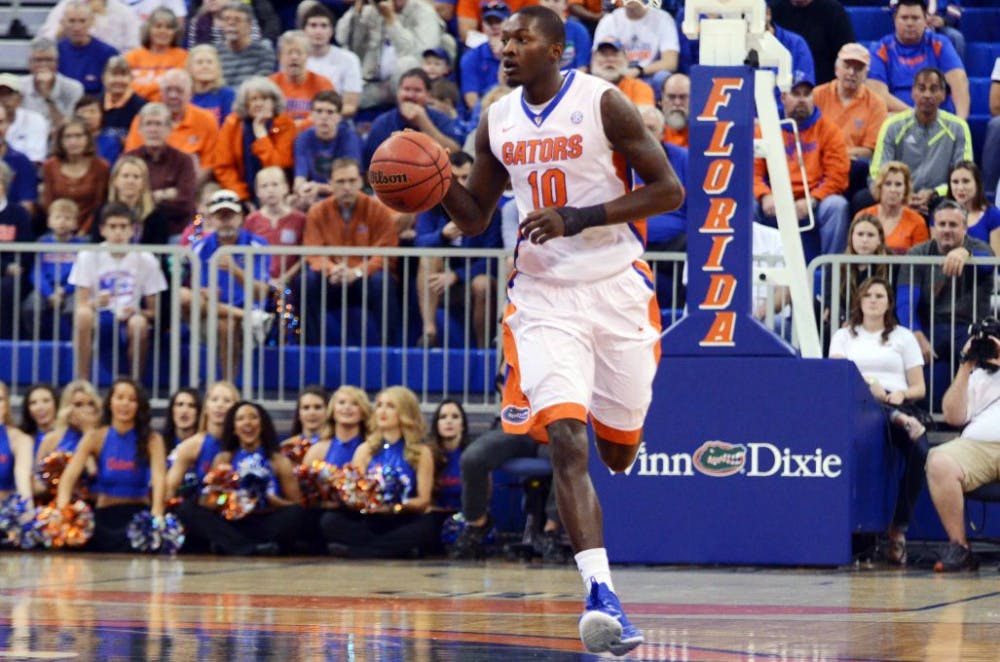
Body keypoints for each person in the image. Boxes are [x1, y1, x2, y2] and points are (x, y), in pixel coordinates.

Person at [440, 6, 683, 655]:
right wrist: (437, 183)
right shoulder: (498, 117)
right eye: (503, 39)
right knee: (567, 440)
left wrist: (580, 217)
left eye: (522, 39)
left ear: (557, 48)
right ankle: (602, 596)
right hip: (544, 296)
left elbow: (669, 192)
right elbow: (472, 217)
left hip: (616, 287)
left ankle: (620, 438)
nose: (507, 47)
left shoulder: (604, 104)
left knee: (617, 452)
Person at [829, 276, 929, 565]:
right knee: (871, 399)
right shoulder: (844, 335)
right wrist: (869, 384)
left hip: (897, 401)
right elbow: (837, 375)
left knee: (921, 450)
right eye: (868, 295)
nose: (873, 300)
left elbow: (919, 388)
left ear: (889, 303)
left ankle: (899, 528)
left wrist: (900, 393)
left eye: (880, 296)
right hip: (856, 409)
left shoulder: (903, 336)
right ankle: (895, 417)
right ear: (859, 301)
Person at [318, 386, 437, 558]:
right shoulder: (365, 449)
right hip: (370, 519)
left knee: (427, 525)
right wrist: (364, 504)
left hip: (402, 516)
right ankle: (394, 551)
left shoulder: (421, 452)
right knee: (329, 521)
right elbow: (354, 495)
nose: (382, 411)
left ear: (405, 412)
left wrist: (393, 507)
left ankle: (360, 552)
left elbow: (423, 500)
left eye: (390, 406)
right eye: (379, 405)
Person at [179, 400, 306, 556]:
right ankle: (249, 548)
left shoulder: (278, 460)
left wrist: (275, 502)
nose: (248, 423)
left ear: (262, 424)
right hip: (232, 523)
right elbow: (210, 504)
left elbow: (297, 504)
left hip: (265, 520)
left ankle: (232, 546)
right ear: (234, 428)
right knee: (187, 509)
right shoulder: (224, 458)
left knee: (297, 514)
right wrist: (222, 497)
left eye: (253, 417)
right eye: (240, 419)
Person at [55, 378, 167, 553]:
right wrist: (63, 510)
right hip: (103, 518)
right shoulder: (95, 437)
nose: (125, 404)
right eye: (120, 397)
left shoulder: (152, 440)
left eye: (132, 399)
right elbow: (68, 477)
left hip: (137, 517)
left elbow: (160, 478)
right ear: (110, 403)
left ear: (139, 406)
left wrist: (157, 514)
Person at [898, 200, 993, 400]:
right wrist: (914, 332)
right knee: (931, 384)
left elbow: (988, 265)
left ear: (965, 228)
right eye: (942, 224)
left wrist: (967, 253)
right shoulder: (918, 253)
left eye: (953, 225)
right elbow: (906, 300)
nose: (947, 230)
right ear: (933, 227)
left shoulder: (979, 249)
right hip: (931, 330)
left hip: (970, 329)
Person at [302, 157, 401, 346]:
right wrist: (332, 269)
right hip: (332, 279)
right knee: (306, 281)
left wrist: (358, 271)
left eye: (351, 181)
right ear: (330, 184)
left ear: (361, 182)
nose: (346, 187)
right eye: (340, 182)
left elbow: (386, 252)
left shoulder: (378, 209)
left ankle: (387, 352)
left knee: (383, 282)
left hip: (365, 278)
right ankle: (310, 351)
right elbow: (313, 253)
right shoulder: (317, 211)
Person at [926, 326, 1000, 572]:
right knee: (939, 460)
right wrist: (965, 366)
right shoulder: (977, 376)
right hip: (978, 447)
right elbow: (953, 416)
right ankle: (960, 548)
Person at [753, 73, 850, 261]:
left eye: (807, 94)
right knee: (748, 205)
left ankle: (830, 273)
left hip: (813, 202)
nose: (802, 100)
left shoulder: (829, 130)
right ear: (783, 97)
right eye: (795, 93)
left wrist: (813, 199)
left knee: (837, 206)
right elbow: (752, 172)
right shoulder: (765, 128)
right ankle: (753, 268)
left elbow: (837, 175)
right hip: (774, 201)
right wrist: (764, 195)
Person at [69, 203, 168, 381]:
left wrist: (138, 311)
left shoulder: (146, 258)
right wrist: (95, 303)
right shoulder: (87, 255)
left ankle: (134, 383)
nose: (118, 232)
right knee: (83, 314)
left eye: (123, 227)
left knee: (139, 323)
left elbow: (154, 312)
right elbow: (81, 303)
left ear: (133, 230)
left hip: (130, 315)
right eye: (112, 227)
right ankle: (81, 381)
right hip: (98, 313)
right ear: (102, 230)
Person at [414, 151, 502, 348]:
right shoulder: (431, 206)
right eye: (454, 178)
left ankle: (482, 348)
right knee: (428, 260)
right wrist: (442, 236)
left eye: (466, 177)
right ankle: (429, 332)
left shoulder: (491, 212)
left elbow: (492, 258)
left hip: (472, 280)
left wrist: (457, 275)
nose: (461, 184)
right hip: (440, 284)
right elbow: (419, 244)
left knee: (483, 284)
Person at [184, 189, 274, 380]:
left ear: (241, 217)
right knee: (182, 296)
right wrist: (203, 292)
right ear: (211, 218)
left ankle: (227, 386)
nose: (225, 220)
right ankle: (251, 317)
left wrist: (236, 270)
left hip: (242, 313)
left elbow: (262, 293)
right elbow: (197, 293)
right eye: (220, 215)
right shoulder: (199, 246)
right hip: (208, 313)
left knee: (227, 324)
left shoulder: (257, 244)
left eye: (230, 215)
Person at [869, 67, 972, 218]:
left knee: (953, 200)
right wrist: (903, 195)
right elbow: (877, 171)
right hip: (898, 194)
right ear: (913, 92)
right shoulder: (892, 126)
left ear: (943, 95)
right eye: (921, 89)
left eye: (934, 89)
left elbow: (965, 175)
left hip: (939, 197)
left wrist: (935, 192)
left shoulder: (958, 128)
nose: (927, 95)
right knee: (863, 198)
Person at [335, 0, 444, 110]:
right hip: (374, 85)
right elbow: (341, 38)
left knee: (406, 63)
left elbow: (420, 53)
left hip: (406, 84)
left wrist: (391, 20)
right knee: (339, 97)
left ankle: (407, 112)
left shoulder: (424, 12)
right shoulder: (371, 10)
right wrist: (356, 11)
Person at [868, 0, 969, 119]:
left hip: (938, 118)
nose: (910, 23)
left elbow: (959, 82)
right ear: (895, 20)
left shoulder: (940, 44)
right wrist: (917, 117)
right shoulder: (880, 49)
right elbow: (878, 94)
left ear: (925, 21)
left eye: (915, 18)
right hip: (899, 118)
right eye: (904, 18)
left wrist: (961, 122)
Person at [811, 43, 888, 198]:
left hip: (851, 169)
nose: (852, 72)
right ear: (836, 69)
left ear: (866, 74)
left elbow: (869, 151)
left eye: (858, 68)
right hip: (816, 163)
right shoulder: (817, 95)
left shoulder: (876, 104)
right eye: (847, 66)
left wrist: (836, 153)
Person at [361, 68, 462, 173]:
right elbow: (369, 168)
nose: (410, 95)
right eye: (406, 89)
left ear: (428, 95)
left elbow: (455, 153)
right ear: (398, 92)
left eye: (417, 90)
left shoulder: (441, 119)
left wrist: (423, 122)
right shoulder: (382, 122)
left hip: (433, 180)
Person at [214, 77, 296, 204]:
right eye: (254, 99)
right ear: (246, 104)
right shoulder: (232, 124)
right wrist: (242, 197)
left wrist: (261, 134)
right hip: (241, 195)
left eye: (264, 98)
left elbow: (278, 166)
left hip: (279, 194)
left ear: (274, 102)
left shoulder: (285, 125)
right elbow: (223, 167)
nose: (258, 104)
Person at [123, 68, 219, 175]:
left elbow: (209, 164)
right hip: (148, 181)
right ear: (160, 93)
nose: (173, 95)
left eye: (179, 90)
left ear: (191, 94)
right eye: (168, 90)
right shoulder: (144, 119)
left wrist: (188, 187)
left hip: (193, 180)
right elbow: (132, 161)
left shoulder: (206, 120)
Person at [124, 103, 198, 239]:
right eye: (148, 124)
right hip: (135, 231)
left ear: (170, 129)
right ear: (140, 129)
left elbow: (185, 204)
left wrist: (144, 197)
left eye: (159, 124)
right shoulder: (128, 159)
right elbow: (122, 200)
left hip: (175, 232)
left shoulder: (184, 161)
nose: (153, 129)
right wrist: (164, 194)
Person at [23, 199, 89, 339]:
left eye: (67, 218)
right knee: (31, 307)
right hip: (46, 288)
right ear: (49, 221)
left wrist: (65, 290)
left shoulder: (82, 245)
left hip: (72, 288)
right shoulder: (42, 242)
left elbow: (82, 272)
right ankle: (39, 343)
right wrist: (49, 293)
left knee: (74, 310)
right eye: (57, 217)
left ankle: (75, 344)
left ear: (75, 223)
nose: (62, 222)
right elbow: (36, 272)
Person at [165, 380, 239, 503]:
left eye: (227, 401)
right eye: (214, 399)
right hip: (201, 511)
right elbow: (169, 489)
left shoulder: (243, 445)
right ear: (206, 408)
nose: (220, 405)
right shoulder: (191, 445)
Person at [592, 0, 680, 97]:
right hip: (617, 75)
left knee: (662, 77)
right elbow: (596, 60)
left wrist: (639, 70)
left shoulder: (663, 19)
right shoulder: (609, 20)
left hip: (649, 75)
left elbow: (670, 62)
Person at [292, 90, 362, 209]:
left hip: (344, 195)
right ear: (312, 115)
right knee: (292, 202)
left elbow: (350, 183)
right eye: (319, 111)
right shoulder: (303, 138)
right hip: (314, 196)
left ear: (339, 117)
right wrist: (303, 189)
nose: (324, 117)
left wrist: (319, 188)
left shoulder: (349, 138)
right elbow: (299, 179)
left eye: (330, 112)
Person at [41, 117, 111, 234]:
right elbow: (49, 202)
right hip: (57, 229)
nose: (73, 142)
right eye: (68, 137)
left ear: (88, 138)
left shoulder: (101, 166)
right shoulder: (50, 166)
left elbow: (99, 205)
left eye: (78, 136)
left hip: (91, 231)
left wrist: (83, 231)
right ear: (60, 140)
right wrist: (59, 226)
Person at [244, 167, 306, 289]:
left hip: (290, 285)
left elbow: (305, 255)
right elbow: (245, 255)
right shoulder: (251, 220)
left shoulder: (300, 219)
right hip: (259, 284)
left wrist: (286, 278)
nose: (270, 190)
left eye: (275, 184)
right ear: (257, 191)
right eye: (264, 186)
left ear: (286, 188)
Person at [300, 3, 363, 119]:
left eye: (324, 26)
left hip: (335, 121)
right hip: (300, 120)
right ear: (304, 30)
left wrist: (320, 117)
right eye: (313, 25)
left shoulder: (349, 59)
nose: (318, 31)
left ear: (331, 31)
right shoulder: (295, 59)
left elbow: (350, 106)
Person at [769, 0, 854, 85]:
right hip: (780, 87)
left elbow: (847, 54)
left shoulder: (833, 10)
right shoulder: (773, 10)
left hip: (824, 87)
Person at [90, 156, 170, 245]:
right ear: (115, 180)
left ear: (144, 183)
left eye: (136, 177)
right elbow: (95, 246)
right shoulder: (101, 212)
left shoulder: (157, 215)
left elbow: (159, 251)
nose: (130, 181)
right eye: (125, 176)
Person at [854, 161, 929, 255]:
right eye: (888, 184)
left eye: (898, 184)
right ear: (879, 187)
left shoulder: (917, 222)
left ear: (906, 189)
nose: (893, 190)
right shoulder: (862, 217)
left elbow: (921, 262)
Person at [269, 30, 334, 129]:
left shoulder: (323, 84)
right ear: (279, 57)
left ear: (308, 56)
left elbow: (327, 116)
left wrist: (297, 126)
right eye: (289, 53)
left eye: (299, 53)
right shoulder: (270, 85)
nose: (294, 57)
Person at [54, 0, 121, 97]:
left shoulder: (108, 53)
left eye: (82, 21)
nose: (77, 27)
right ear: (63, 22)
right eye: (71, 21)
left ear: (92, 22)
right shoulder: (55, 51)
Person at [0, 161, 35, 340]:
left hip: (14, 276)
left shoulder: (19, 213)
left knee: (5, 288)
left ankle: (5, 344)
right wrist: (5, 267)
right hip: (7, 270)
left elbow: (27, 250)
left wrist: (12, 268)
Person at [19, 37, 84, 129]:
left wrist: (48, 98)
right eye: (38, 60)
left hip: (60, 140)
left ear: (57, 63)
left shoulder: (73, 88)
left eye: (49, 60)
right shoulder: (19, 86)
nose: (43, 65)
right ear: (29, 63)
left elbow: (68, 128)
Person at [124, 7, 188, 102]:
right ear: (149, 29)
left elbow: (174, 90)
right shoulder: (132, 57)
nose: (163, 31)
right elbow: (126, 89)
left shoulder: (183, 57)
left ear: (175, 32)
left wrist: (141, 89)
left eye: (169, 27)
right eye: (158, 26)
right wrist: (161, 84)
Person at [302, 385, 373, 469]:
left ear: (363, 413)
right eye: (341, 402)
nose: (347, 407)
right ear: (332, 411)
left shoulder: (372, 449)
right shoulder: (317, 450)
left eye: (355, 403)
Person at [35, 379, 101, 464]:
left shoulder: (103, 438)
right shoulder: (51, 439)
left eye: (91, 404)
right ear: (67, 409)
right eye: (78, 404)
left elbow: (92, 470)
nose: (86, 409)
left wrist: (87, 432)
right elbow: (37, 475)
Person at [459, 1, 509, 111]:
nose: (494, 26)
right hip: (484, 114)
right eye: (489, 22)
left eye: (499, 21)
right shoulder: (471, 57)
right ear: (483, 25)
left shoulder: (522, 53)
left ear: (510, 24)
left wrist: (504, 56)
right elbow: (471, 100)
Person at [42, 0, 140, 54]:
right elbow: (45, 42)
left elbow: (134, 48)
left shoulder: (124, 12)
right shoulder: (66, 6)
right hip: (69, 60)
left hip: (111, 67)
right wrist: (68, 26)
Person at [946, 161, 1000, 256]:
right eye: (955, 182)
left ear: (977, 183)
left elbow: (996, 260)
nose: (960, 187)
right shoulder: (939, 215)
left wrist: (968, 254)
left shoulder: (993, 215)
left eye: (966, 181)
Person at [218, 3, 277, 89]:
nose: (231, 23)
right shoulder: (214, 53)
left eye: (237, 20)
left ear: (249, 25)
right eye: (226, 19)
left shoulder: (264, 52)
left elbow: (261, 87)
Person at [426, 399, 470, 514]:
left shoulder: (473, 456)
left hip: (466, 518)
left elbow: (484, 497)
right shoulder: (427, 455)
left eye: (455, 417)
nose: (449, 421)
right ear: (437, 425)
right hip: (433, 518)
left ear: (463, 425)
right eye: (443, 417)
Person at [589, 37, 654, 107]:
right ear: (593, 58)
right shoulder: (584, 88)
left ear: (626, 58)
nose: (610, 60)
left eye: (615, 54)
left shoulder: (639, 88)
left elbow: (644, 116)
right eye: (604, 54)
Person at [0, 74, 51, 164]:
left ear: (20, 97)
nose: (3, 99)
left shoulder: (36, 120)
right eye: (0, 94)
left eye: (8, 94)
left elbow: (36, 159)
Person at [0, 381, 35, 506]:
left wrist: (28, 512)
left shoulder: (20, 439)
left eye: (0, 399)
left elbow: (23, 481)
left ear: (6, 405)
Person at [187, 44, 235, 127]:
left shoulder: (228, 95)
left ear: (217, 67)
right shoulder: (184, 96)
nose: (205, 66)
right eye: (199, 62)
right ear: (190, 68)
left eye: (210, 62)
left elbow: (230, 129)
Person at [279, 386, 329, 462]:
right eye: (306, 408)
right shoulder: (286, 447)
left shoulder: (335, 446)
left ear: (328, 412)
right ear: (299, 414)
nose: (312, 413)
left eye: (317, 407)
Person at [19, 384, 58, 457]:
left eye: (46, 401)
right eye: (33, 402)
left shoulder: (68, 435)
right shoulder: (21, 437)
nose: (40, 407)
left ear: (56, 404)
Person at [162, 388, 202, 453]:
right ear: (172, 410)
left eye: (191, 406)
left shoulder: (205, 444)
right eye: (180, 404)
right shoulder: (160, 443)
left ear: (198, 412)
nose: (184, 410)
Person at [660, 73, 689, 148]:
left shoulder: (703, 134)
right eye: (671, 97)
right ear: (662, 100)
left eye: (683, 97)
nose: (677, 103)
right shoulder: (652, 132)